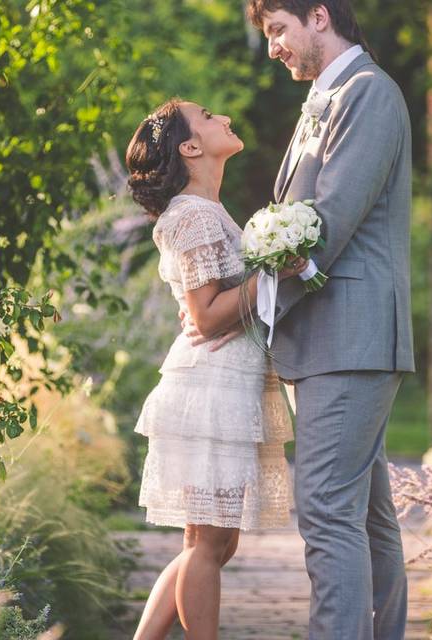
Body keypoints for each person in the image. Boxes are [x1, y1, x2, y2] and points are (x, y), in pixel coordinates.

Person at [246, 1, 416, 638]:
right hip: (334, 339)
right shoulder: (327, 95)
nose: (274, 49)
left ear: (320, 16)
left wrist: (241, 287)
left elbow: (325, 226)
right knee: (364, 519)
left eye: (278, 31)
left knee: (324, 513)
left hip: (351, 337)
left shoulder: (368, 93)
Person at [125, 98, 305, 640]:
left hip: (228, 382)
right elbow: (206, 315)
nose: (224, 118)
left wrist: (267, 270)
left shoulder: (205, 209)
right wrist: (274, 269)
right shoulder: (194, 214)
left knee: (212, 543)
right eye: (208, 117)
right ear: (190, 146)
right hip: (211, 385)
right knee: (207, 544)